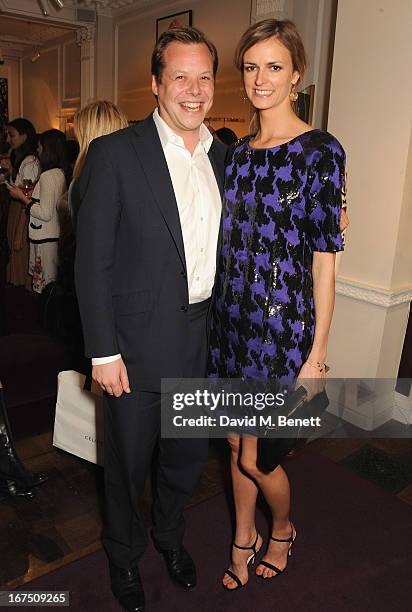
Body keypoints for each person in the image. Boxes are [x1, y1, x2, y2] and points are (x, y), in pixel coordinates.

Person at [74, 28, 225, 612]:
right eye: (180, 77)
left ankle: (170, 537)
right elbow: (91, 265)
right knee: (127, 469)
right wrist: (102, 352)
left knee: (185, 461)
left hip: (200, 343)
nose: (194, 90)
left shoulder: (223, 156)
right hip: (132, 352)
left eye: (204, 76)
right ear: (157, 84)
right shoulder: (116, 154)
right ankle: (125, 558)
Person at [208, 19, 347, 590]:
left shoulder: (321, 152)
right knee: (235, 446)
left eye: (273, 66)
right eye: (250, 66)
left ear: (297, 75)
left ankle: (283, 528)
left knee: (258, 458)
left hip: (280, 332)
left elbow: (325, 260)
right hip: (231, 323)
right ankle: (244, 538)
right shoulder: (236, 156)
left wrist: (316, 357)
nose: (260, 78)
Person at [8, 129, 67, 294]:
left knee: (45, 288)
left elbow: (45, 213)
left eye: (40, 146)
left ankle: (45, 317)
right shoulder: (59, 172)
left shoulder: (48, 175)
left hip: (44, 238)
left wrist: (22, 198)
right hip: (49, 236)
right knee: (48, 285)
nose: (38, 150)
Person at [6, 118, 40, 288]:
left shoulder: (30, 162)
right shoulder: (22, 160)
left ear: (24, 136)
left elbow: (27, 196)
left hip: (22, 210)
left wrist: (20, 231)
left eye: (11, 135)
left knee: (20, 253)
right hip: (16, 208)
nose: (8, 140)